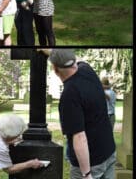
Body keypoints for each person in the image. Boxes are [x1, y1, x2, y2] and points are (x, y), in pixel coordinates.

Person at [48, 49, 116, 179]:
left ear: (55, 70)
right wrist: (52, 53)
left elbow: (79, 137)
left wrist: (86, 174)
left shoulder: (69, 95)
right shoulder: (86, 69)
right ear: (73, 61)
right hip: (109, 151)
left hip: (92, 163)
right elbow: (74, 59)